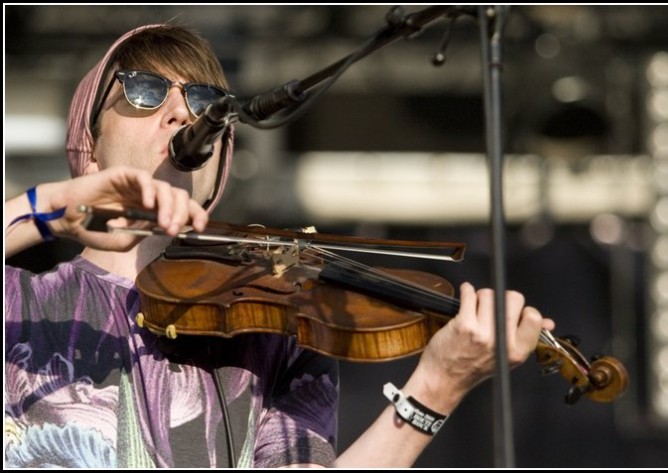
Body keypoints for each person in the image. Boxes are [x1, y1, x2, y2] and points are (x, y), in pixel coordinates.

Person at [4, 23, 554, 468]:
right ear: (89, 147)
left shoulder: (273, 329)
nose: (182, 113)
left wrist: (437, 387)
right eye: (144, 92)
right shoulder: (19, 305)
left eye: (203, 99)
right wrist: (51, 208)